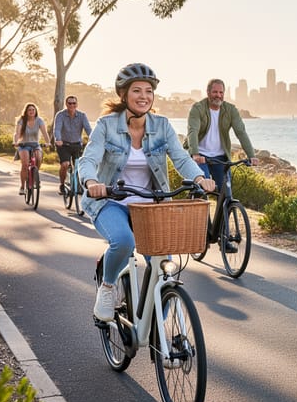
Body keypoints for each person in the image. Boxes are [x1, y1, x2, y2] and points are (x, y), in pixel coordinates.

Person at [79, 63, 216, 322]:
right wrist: (90, 182)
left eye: (149, 91)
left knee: (165, 265)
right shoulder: (106, 126)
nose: (144, 96)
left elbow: (181, 158)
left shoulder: (161, 126)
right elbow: (89, 159)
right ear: (123, 95)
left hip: (150, 205)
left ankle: (157, 325)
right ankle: (107, 288)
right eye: (137, 90)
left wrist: (199, 177)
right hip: (111, 201)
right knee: (123, 241)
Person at [185, 78, 259, 192]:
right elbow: (192, 131)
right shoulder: (198, 108)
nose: (218, 95)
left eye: (221, 92)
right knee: (200, 190)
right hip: (200, 156)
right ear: (208, 92)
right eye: (215, 92)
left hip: (220, 158)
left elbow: (241, 132)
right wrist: (195, 154)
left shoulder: (231, 110)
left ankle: (225, 209)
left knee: (226, 194)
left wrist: (251, 155)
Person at [53, 95, 93, 194]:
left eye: (74, 103)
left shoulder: (82, 116)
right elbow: (57, 129)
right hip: (64, 145)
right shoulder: (60, 115)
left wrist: (94, 139)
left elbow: (88, 129)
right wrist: (58, 139)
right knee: (65, 164)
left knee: (79, 167)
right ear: (66, 104)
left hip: (76, 145)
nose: (72, 105)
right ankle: (62, 185)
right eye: (69, 103)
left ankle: (78, 185)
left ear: (77, 104)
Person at [12, 103, 51, 195]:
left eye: (33, 110)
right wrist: (16, 142)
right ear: (26, 111)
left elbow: (45, 133)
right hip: (23, 145)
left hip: (35, 145)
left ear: (36, 111)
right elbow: (17, 133)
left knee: (38, 158)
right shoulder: (22, 120)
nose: (31, 111)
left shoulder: (39, 120)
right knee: (25, 164)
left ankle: (35, 178)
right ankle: (22, 187)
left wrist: (48, 142)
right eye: (29, 110)